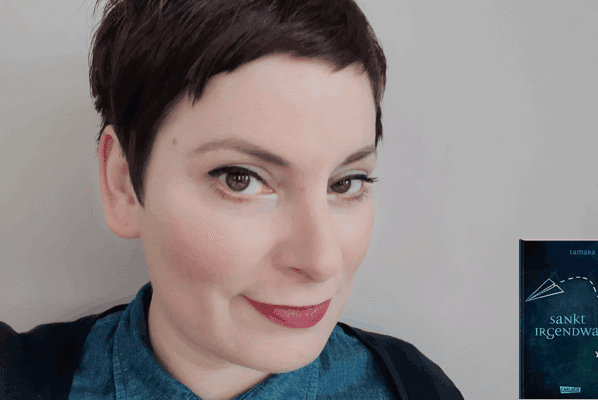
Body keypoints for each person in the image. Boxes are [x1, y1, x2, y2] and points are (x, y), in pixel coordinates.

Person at [0, 0, 464, 399]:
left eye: (346, 183)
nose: (321, 261)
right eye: (241, 179)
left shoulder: (417, 387)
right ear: (122, 183)